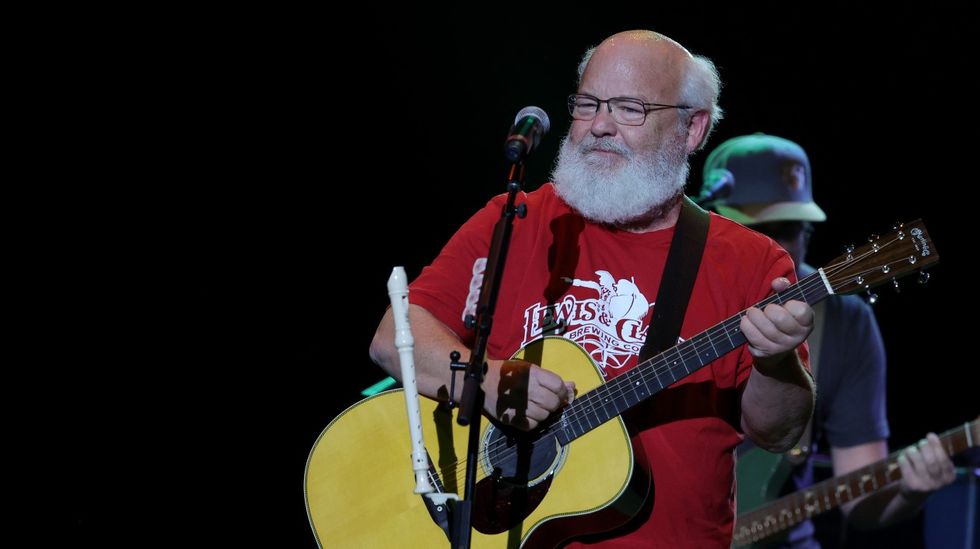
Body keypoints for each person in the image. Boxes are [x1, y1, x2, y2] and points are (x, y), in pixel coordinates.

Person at [370, 30, 816, 547]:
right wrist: (488, 380)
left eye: (630, 109)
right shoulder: (516, 219)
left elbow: (778, 433)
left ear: (692, 129)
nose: (599, 126)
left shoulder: (752, 263)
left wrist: (776, 362)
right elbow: (392, 339)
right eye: (588, 103)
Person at [700, 133, 957, 547]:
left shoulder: (844, 321)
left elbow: (862, 500)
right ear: (712, 225)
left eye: (791, 230)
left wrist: (910, 492)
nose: (778, 249)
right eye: (760, 231)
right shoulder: (668, 294)